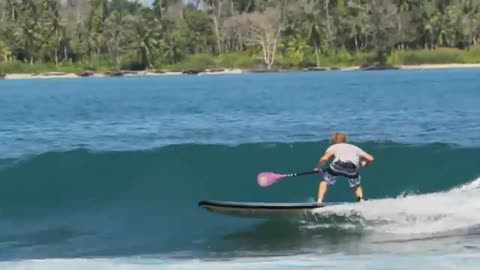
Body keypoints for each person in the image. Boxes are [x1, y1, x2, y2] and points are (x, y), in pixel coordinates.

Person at [314, 132, 374, 203]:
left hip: (337, 166)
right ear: (345, 140)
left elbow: (324, 159)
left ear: (334, 140)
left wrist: (318, 168)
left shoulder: (334, 147)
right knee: (356, 185)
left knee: (325, 181)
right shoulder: (355, 147)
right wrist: (366, 164)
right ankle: (361, 200)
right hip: (352, 168)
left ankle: (319, 201)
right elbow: (371, 158)